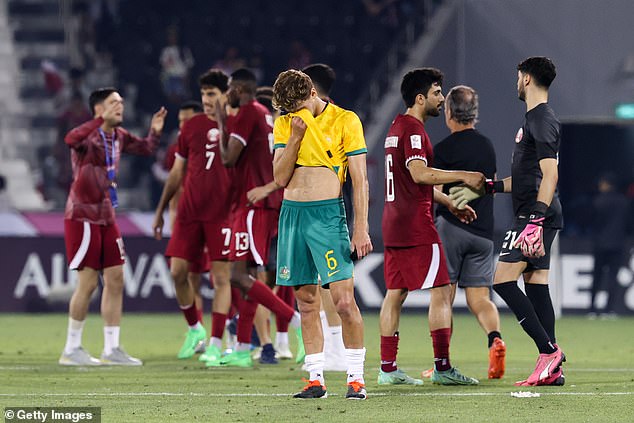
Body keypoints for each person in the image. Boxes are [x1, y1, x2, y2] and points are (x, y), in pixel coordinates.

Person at [449, 56, 565, 386]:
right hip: (539, 212)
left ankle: (549, 352)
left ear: (526, 79)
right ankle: (552, 369)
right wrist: (490, 187)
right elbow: (528, 177)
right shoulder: (536, 118)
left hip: (535, 215)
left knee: (501, 281)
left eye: (518, 76)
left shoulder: (540, 119)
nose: (516, 82)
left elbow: (550, 174)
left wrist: (535, 221)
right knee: (536, 284)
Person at [272, 69, 373, 400]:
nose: (293, 114)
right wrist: (297, 137)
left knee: (344, 302)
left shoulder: (345, 121)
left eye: (297, 106)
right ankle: (315, 379)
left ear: (312, 93)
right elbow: (279, 177)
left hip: (328, 217)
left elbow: (359, 179)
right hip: (292, 217)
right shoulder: (286, 123)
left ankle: (355, 378)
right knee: (306, 300)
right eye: (288, 110)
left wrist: (361, 227)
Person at [379, 68, 482, 387]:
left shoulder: (396, 126)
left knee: (394, 293)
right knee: (442, 290)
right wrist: (463, 176)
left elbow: (412, 182)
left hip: (393, 222)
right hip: (415, 226)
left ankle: (387, 369)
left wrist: (449, 203)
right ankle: (442, 366)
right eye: (438, 92)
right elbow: (419, 175)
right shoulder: (413, 130)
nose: (442, 98)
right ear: (420, 98)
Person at [59, 87, 166, 366]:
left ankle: (112, 348)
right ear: (98, 109)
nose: (120, 107)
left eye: (120, 103)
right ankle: (71, 348)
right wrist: (98, 120)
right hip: (82, 216)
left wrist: (154, 132)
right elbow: (70, 138)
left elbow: (145, 148)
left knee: (116, 278)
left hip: (108, 216)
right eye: (113, 103)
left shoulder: (118, 136)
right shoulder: (89, 135)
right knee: (88, 282)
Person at [214, 68, 303, 368]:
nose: (228, 96)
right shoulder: (264, 113)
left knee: (239, 276)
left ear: (239, 89)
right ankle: (241, 347)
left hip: (254, 205)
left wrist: (221, 121)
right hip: (261, 204)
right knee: (249, 278)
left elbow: (228, 158)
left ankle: (296, 322)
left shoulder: (248, 112)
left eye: (230, 90)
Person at [152, 70, 233, 361]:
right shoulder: (192, 127)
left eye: (211, 94)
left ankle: (215, 343)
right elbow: (177, 173)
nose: (206, 100)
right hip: (189, 211)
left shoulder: (237, 125)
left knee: (221, 279)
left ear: (226, 94)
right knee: (177, 272)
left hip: (222, 213)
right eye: (203, 95)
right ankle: (196, 328)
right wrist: (161, 211)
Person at [433, 85, 506, 379]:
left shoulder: (443, 149)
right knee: (480, 299)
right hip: (483, 233)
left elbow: (435, 191)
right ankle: (495, 338)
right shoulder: (487, 146)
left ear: (449, 113)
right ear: (474, 114)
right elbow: (492, 184)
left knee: (442, 298)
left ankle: (442, 363)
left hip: (450, 228)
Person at [301, 63, 347, 371]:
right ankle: (329, 349)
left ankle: (337, 350)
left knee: (331, 284)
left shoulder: (339, 121)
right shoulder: (301, 120)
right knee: (314, 284)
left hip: (329, 209)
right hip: (308, 210)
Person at [152, 101, 209, 332]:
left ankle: (237, 336)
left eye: (187, 121)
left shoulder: (217, 143)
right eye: (180, 122)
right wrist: (172, 216)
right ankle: (197, 333)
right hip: (188, 220)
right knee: (188, 278)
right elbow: (174, 184)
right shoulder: (175, 149)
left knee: (224, 279)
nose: (183, 126)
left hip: (215, 219)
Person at [589, 172, 629, 316]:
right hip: (617, 244)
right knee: (613, 277)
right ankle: (609, 309)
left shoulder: (599, 201)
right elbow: (627, 223)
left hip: (600, 244)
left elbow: (594, 222)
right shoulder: (624, 201)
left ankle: (592, 309)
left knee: (597, 276)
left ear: (607, 184)